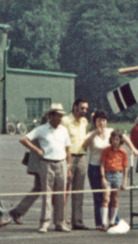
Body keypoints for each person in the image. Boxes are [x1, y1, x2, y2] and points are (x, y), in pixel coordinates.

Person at [9, 104, 72, 232]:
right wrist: (37, 150)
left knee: (60, 195)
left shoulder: (63, 130)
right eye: (58, 115)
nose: (60, 118)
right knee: (46, 195)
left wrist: (68, 166)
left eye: (61, 116)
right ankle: (45, 223)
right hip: (46, 163)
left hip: (61, 163)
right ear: (51, 116)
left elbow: (68, 149)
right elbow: (24, 139)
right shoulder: (41, 129)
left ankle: (60, 222)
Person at [61, 99, 91, 228]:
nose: (84, 111)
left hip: (82, 157)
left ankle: (77, 221)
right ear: (75, 107)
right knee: (64, 190)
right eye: (82, 108)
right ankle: (61, 219)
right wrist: (66, 162)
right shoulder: (66, 121)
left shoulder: (84, 122)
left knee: (78, 191)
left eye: (86, 108)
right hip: (69, 157)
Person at [99, 128, 132, 229]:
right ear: (111, 140)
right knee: (106, 198)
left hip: (118, 175)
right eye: (113, 139)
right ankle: (104, 222)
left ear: (120, 140)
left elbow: (125, 167)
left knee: (115, 199)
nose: (115, 141)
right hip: (108, 174)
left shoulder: (123, 152)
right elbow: (102, 164)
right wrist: (103, 178)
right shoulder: (106, 150)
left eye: (117, 139)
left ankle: (112, 221)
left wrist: (124, 181)